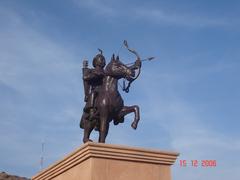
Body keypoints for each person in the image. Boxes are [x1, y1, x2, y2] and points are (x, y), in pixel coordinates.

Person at [80, 51, 106, 129]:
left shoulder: (106, 72)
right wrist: (96, 74)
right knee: (94, 94)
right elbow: (85, 77)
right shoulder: (92, 71)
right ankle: (91, 111)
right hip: (96, 90)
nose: (102, 61)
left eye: (103, 59)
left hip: (105, 92)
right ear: (95, 61)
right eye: (100, 59)